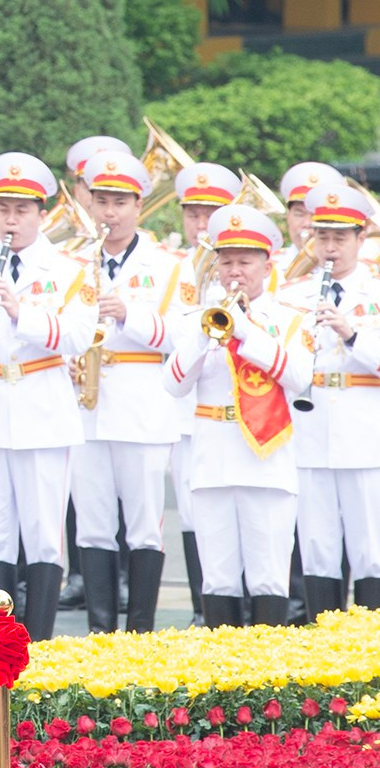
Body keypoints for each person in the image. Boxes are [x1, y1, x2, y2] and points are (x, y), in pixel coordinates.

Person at [0, 154, 94, 640]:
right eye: (2, 209)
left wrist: (21, 313)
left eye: (22, 210)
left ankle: (38, 642)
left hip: (43, 409)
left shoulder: (70, 268)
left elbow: (80, 334)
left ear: (41, 214)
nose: (10, 220)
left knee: (42, 533)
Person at [163, 206, 315, 627]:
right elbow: (173, 384)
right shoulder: (196, 321)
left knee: (268, 576)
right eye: (226, 261)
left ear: (267, 265)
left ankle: (265, 664)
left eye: (245, 262)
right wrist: (204, 337)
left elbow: (299, 377)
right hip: (213, 459)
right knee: (218, 578)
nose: (235, 271)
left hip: (267, 462)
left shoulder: (290, 320)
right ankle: (222, 663)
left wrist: (246, 331)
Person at [70, 150, 187, 635]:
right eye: (102, 202)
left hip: (142, 407)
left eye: (120, 203)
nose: (110, 213)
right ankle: (100, 630)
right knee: (92, 523)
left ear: (139, 205)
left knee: (143, 525)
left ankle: (140, 631)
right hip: (85, 406)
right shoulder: (72, 261)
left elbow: (183, 334)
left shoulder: (168, 265)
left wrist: (128, 315)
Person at [292, 183, 380, 617]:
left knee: (372, 550)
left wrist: (352, 334)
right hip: (310, 433)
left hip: (365, 437)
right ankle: (323, 644)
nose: (329, 248)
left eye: (340, 238)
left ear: (361, 238)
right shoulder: (293, 295)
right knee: (317, 548)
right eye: (322, 236)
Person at [169, 162, 243, 624]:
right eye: (193, 214)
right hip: (191, 410)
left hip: (247, 410)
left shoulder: (253, 266)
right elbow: (166, 332)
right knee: (194, 513)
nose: (201, 224)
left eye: (210, 214)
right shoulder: (173, 267)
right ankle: (203, 609)